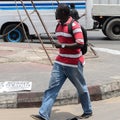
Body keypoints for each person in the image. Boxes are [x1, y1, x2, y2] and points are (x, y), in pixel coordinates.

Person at [31, 3, 92, 120]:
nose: (55, 13)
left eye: (57, 11)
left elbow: (80, 43)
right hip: (60, 63)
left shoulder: (74, 26)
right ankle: (44, 114)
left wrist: (62, 45)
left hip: (73, 64)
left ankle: (88, 111)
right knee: (52, 89)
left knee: (81, 89)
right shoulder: (58, 25)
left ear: (63, 13)